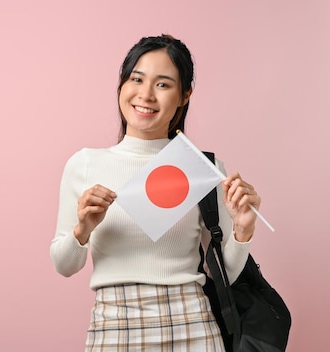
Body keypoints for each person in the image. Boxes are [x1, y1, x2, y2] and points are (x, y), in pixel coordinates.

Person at [50, 34, 262, 351]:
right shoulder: (85, 164)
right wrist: (83, 229)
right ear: (121, 85)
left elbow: (225, 274)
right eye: (136, 79)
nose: (146, 94)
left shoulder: (200, 165)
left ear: (185, 94)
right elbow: (65, 265)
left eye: (163, 84)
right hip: (114, 325)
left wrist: (243, 230)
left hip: (194, 325)